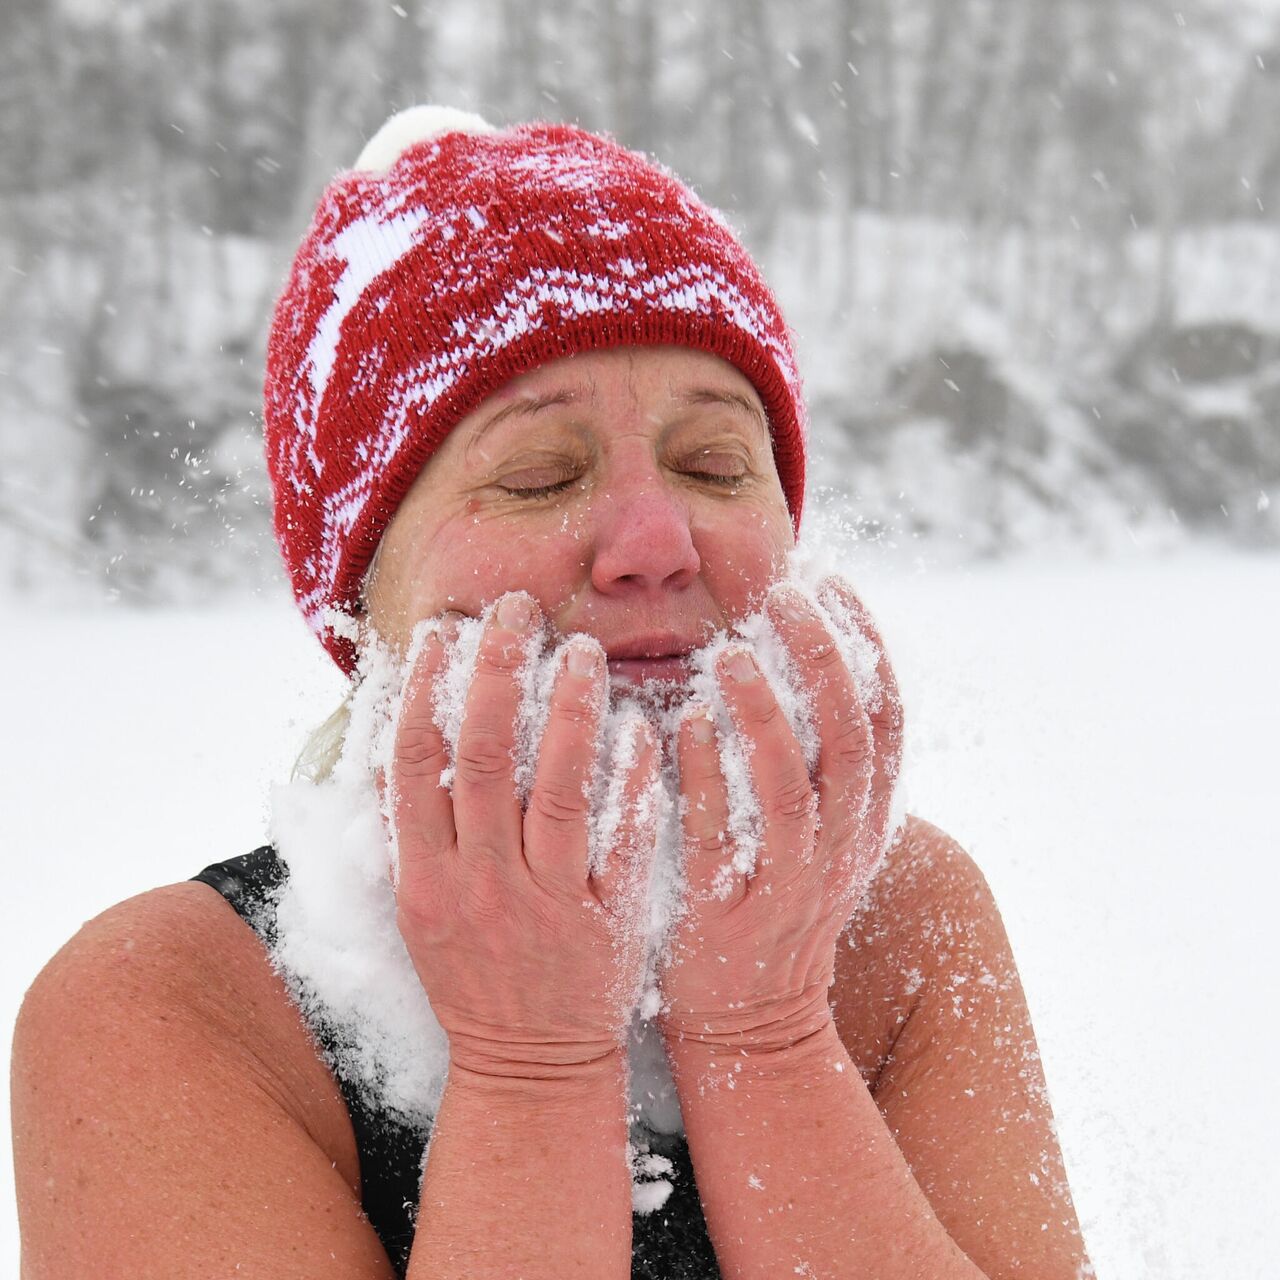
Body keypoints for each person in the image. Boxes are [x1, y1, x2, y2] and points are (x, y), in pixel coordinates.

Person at [11, 107, 1094, 1279]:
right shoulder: (171, 1009)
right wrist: (533, 1057)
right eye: (537, 476)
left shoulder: (895, 919)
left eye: (714, 463)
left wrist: (764, 1028)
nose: (653, 540)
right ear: (363, 597)